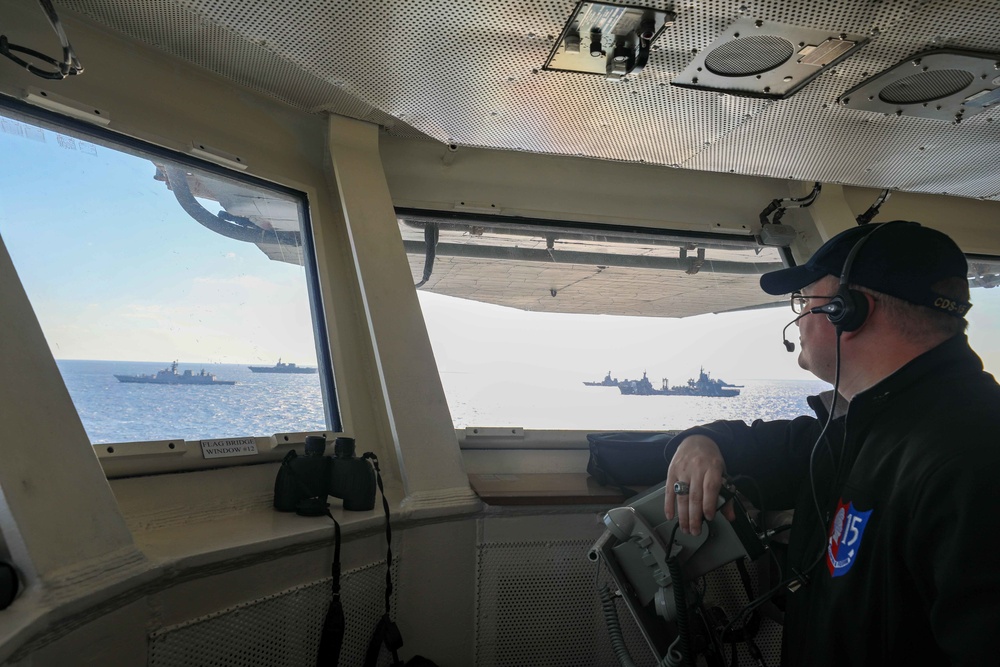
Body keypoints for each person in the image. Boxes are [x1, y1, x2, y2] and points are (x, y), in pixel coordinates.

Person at [661, 220, 1000, 666]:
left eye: (806, 301)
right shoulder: (862, 428)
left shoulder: (970, 458)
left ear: (850, 311)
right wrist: (700, 443)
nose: (798, 318)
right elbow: (761, 444)